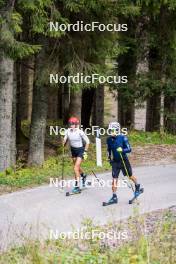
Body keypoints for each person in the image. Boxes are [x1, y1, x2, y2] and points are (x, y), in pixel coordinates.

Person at [106, 122, 142, 204]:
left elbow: (129, 149)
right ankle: (114, 197)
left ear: (117, 130)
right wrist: (109, 158)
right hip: (115, 162)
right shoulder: (109, 139)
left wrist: (122, 150)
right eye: (110, 130)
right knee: (114, 179)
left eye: (112, 130)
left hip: (124, 160)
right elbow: (108, 150)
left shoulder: (123, 137)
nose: (111, 132)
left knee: (130, 176)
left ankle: (137, 186)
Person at [63, 117, 90, 193]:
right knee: (77, 167)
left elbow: (88, 142)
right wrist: (64, 141)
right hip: (73, 151)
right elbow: (64, 142)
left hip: (80, 150)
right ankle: (83, 175)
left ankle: (77, 186)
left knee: (75, 168)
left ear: (76, 124)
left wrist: (85, 151)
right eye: (70, 124)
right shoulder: (67, 131)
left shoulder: (80, 132)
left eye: (73, 124)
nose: (71, 125)